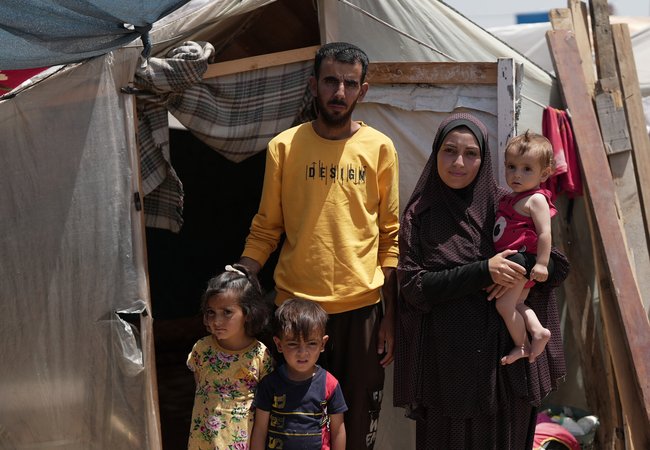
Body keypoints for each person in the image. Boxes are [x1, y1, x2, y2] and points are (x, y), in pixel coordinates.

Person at [238, 41, 399, 449]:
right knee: (291, 428)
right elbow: (266, 226)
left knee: (357, 425)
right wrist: (243, 271)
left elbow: (391, 237)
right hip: (295, 311)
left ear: (363, 91)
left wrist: (390, 318)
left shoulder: (380, 148)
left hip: (361, 309)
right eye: (330, 81)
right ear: (313, 85)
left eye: (349, 83)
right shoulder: (285, 147)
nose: (339, 92)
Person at [394, 112, 569, 449]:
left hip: (504, 372)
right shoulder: (421, 214)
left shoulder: (507, 204)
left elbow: (558, 268)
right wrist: (483, 271)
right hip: (447, 373)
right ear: (436, 153)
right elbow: (414, 288)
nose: (459, 162)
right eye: (449, 150)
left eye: (471, 153)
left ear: (485, 158)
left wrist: (521, 262)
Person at [186, 264, 274, 450]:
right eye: (211, 313)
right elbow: (201, 391)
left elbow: (264, 412)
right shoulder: (201, 350)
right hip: (204, 441)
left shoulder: (260, 356)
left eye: (227, 312)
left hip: (241, 442)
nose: (217, 322)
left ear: (248, 314)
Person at [494, 131, 557, 365]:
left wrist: (541, 263)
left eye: (526, 169)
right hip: (514, 264)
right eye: (511, 166)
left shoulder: (536, 199)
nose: (516, 174)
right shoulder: (512, 197)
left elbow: (544, 233)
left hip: (523, 264)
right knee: (518, 304)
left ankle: (522, 345)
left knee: (504, 305)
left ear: (545, 173)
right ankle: (538, 331)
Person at [251, 298, 347, 450]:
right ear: (279, 344)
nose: (302, 353)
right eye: (293, 344)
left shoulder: (330, 383)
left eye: (312, 343)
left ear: (323, 344)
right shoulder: (270, 384)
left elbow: (338, 430)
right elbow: (260, 430)